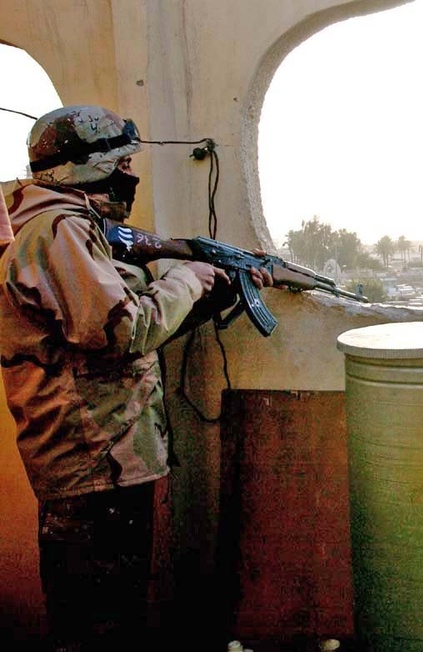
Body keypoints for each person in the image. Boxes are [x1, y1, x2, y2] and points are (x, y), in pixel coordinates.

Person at [0, 105, 271, 652]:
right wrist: (188, 280)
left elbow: (118, 335)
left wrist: (210, 293)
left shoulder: (69, 225)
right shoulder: (59, 230)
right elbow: (125, 329)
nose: (130, 174)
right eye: (121, 161)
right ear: (85, 168)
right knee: (97, 623)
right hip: (92, 460)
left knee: (111, 612)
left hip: (108, 453)